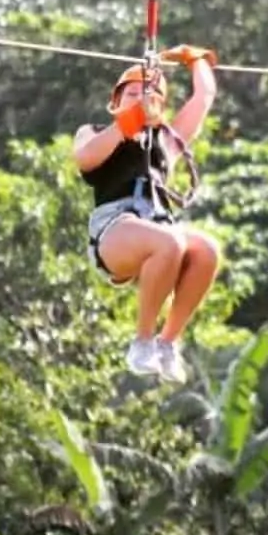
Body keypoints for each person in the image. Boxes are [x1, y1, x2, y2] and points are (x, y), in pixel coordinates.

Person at [72, 44, 220, 384]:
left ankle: (167, 343)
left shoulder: (165, 142)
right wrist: (134, 117)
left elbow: (204, 96)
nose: (140, 98)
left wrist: (194, 59)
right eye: (132, 93)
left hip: (157, 226)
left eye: (148, 94)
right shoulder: (97, 132)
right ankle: (141, 342)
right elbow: (86, 158)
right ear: (116, 103)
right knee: (168, 242)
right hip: (115, 229)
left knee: (206, 250)